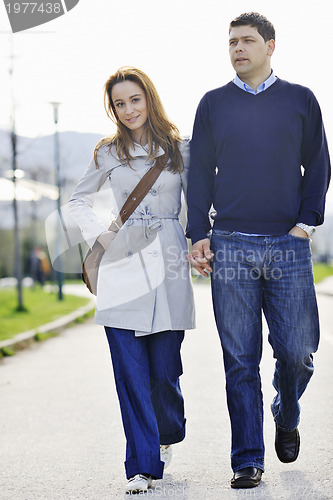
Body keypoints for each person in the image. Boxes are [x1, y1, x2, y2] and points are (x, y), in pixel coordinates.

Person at [186, 12, 330, 489]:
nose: (238, 48)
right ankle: (248, 458)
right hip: (230, 244)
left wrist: (306, 225)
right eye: (232, 42)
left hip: (288, 246)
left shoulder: (300, 100)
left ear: (271, 45)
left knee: (297, 352)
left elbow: (319, 166)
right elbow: (200, 173)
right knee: (239, 359)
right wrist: (197, 233)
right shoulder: (213, 104)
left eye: (248, 41)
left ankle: (285, 412)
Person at [69, 67, 195, 494]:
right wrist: (100, 234)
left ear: (150, 99)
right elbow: (78, 200)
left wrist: (201, 240)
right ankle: (141, 465)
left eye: (134, 100)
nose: (128, 110)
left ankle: (167, 431)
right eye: (119, 103)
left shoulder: (180, 149)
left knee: (163, 370)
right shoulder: (107, 152)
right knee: (129, 369)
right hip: (123, 261)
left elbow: (199, 206)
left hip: (170, 262)